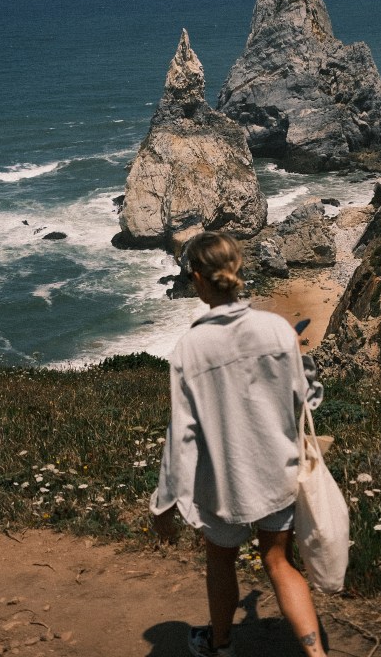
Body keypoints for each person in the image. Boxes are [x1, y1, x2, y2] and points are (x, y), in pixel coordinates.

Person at [150, 231, 326, 657]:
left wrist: (164, 502)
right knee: (278, 563)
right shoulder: (276, 329)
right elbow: (308, 396)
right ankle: (316, 655)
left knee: (221, 562)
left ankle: (222, 645)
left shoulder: (191, 346)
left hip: (222, 479)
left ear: (197, 279)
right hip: (275, 468)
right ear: (239, 269)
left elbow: (183, 432)